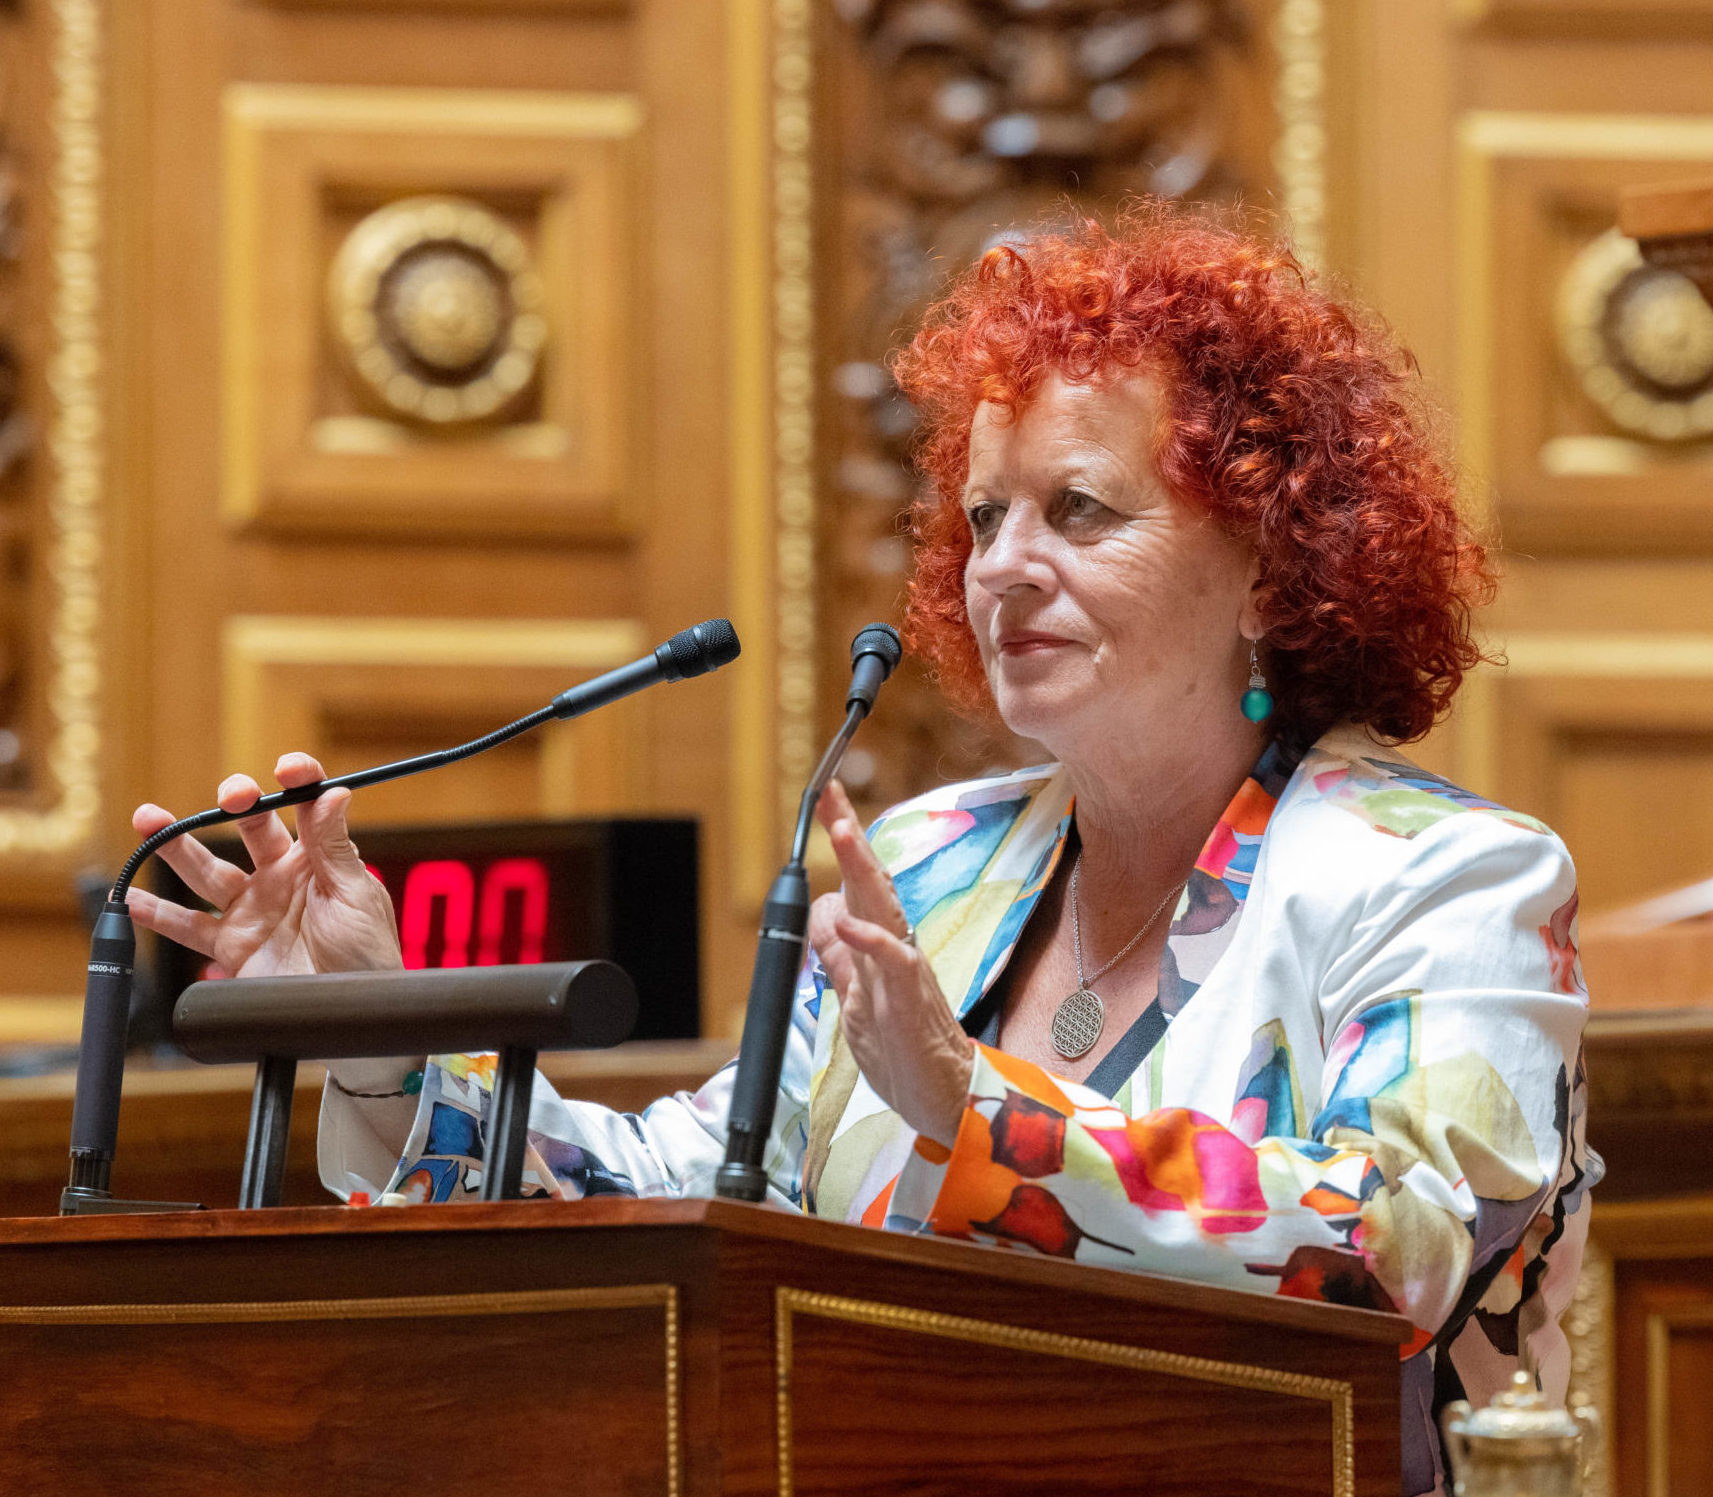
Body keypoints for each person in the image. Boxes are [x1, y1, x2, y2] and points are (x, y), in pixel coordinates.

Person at [128, 205, 1597, 1497]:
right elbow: (682, 1201)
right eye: (982, 516)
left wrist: (976, 1112)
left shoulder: (1449, 880)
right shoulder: (939, 864)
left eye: (1079, 509)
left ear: (1273, 567)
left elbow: (1390, 1244)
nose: (1004, 563)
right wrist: (383, 1035)